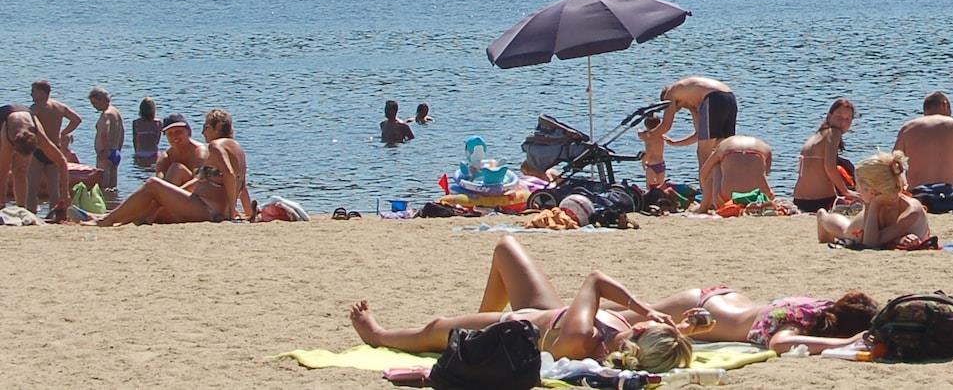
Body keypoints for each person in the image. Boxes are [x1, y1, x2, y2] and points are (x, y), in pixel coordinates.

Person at [347, 236, 691, 371]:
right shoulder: (624, 336)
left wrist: (646, 309)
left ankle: (377, 334)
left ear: (643, 333)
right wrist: (684, 330)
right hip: (547, 313)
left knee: (435, 330)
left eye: (652, 325)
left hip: (517, 329)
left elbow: (595, 280)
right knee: (506, 248)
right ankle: (477, 323)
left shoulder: (582, 337)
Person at [96, 108, 253, 225]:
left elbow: (230, 175)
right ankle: (112, 217)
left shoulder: (215, 146)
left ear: (217, 127)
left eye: (205, 127)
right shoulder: (238, 149)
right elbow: (241, 185)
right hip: (210, 208)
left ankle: (108, 220)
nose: (203, 133)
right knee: (161, 186)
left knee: (152, 184)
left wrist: (230, 214)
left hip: (207, 209)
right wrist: (249, 214)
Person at [648, 286, 879, 355]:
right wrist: (845, 342)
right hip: (700, 307)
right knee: (630, 319)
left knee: (639, 312)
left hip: (723, 301)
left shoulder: (820, 308)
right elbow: (779, 343)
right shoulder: (801, 321)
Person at [814, 151, 933, 249]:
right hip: (874, 221)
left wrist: (873, 205)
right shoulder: (876, 203)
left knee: (849, 232)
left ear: (870, 191)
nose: (857, 190)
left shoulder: (911, 211)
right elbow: (870, 242)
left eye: (859, 187)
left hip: (880, 226)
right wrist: (873, 205)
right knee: (847, 232)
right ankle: (822, 216)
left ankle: (824, 217)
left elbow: (871, 243)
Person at [659, 76, 739, 177]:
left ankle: (705, 186)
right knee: (720, 151)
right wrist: (676, 143)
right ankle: (723, 184)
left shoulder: (671, 93)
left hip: (714, 98)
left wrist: (651, 134)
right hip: (730, 97)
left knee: (704, 154)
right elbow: (700, 134)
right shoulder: (693, 102)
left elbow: (665, 125)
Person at [1, 102, 69, 218]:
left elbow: (62, 162)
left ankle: (21, 210)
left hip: (27, 118)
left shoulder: (40, 137)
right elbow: (2, 175)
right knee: (4, 169)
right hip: (4, 119)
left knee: (20, 170)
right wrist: (1, 205)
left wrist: (65, 194)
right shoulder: (8, 140)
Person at [793, 98, 858, 214]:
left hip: (799, 200)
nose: (843, 122)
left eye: (848, 119)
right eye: (839, 117)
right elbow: (830, 167)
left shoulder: (817, 136)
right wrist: (846, 192)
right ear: (829, 116)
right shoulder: (834, 133)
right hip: (822, 201)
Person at [699, 135, 777, 210]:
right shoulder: (766, 147)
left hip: (728, 199)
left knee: (715, 166)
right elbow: (766, 172)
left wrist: (704, 189)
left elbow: (704, 172)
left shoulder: (722, 146)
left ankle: (704, 207)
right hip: (761, 198)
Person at [87, 87, 124, 203]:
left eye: (95, 103)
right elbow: (122, 131)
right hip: (115, 152)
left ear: (103, 99)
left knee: (103, 187)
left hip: (105, 154)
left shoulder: (106, 115)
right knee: (113, 187)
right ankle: (113, 204)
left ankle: (105, 207)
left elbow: (104, 133)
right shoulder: (116, 112)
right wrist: (118, 149)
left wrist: (104, 151)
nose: (94, 106)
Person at [151, 113, 205, 186]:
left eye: (178, 132)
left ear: (189, 132)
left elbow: (199, 181)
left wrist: (176, 191)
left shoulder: (200, 151)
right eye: (170, 133)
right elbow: (158, 182)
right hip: (174, 191)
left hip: (197, 191)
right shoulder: (166, 157)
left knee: (177, 169)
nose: (174, 136)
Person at [130, 98, 164, 177]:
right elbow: (157, 140)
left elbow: (134, 140)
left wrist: (137, 152)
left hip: (140, 153)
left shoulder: (136, 123)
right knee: (153, 175)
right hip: (153, 153)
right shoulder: (158, 123)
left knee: (140, 175)